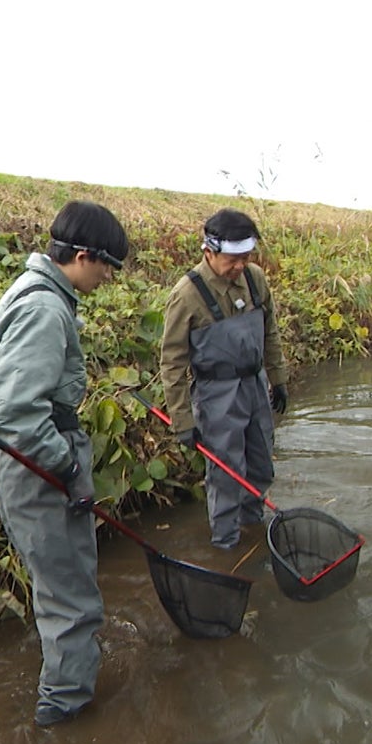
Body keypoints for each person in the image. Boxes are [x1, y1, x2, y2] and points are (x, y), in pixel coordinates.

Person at [0, 200, 129, 727]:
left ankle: (66, 694)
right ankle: (65, 718)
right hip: (39, 468)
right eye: (107, 265)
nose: (109, 277)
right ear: (82, 256)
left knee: (64, 589)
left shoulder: (43, 296)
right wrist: (64, 467)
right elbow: (10, 409)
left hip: (38, 462)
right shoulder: (45, 308)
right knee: (71, 600)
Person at [158, 208, 288, 550]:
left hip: (256, 386)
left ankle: (253, 530)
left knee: (260, 465)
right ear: (209, 252)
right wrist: (182, 421)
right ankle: (226, 547)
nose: (240, 266)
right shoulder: (186, 295)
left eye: (246, 257)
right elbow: (172, 363)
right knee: (226, 474)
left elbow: (270, 331)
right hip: (217, 395)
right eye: (233, 259)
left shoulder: (256, 278)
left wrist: (279, 378)